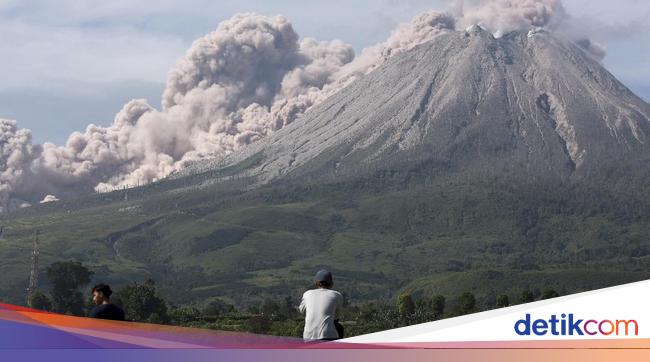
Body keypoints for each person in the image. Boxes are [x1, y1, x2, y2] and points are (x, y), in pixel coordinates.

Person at [299, 269, 344, 341]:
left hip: (308, 337)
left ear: (316, 283)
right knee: (339, 327)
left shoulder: (307, 294)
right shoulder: (336, 295)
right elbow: (336, 317)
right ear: (331, 283)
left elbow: (302, 311)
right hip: (328, 336)